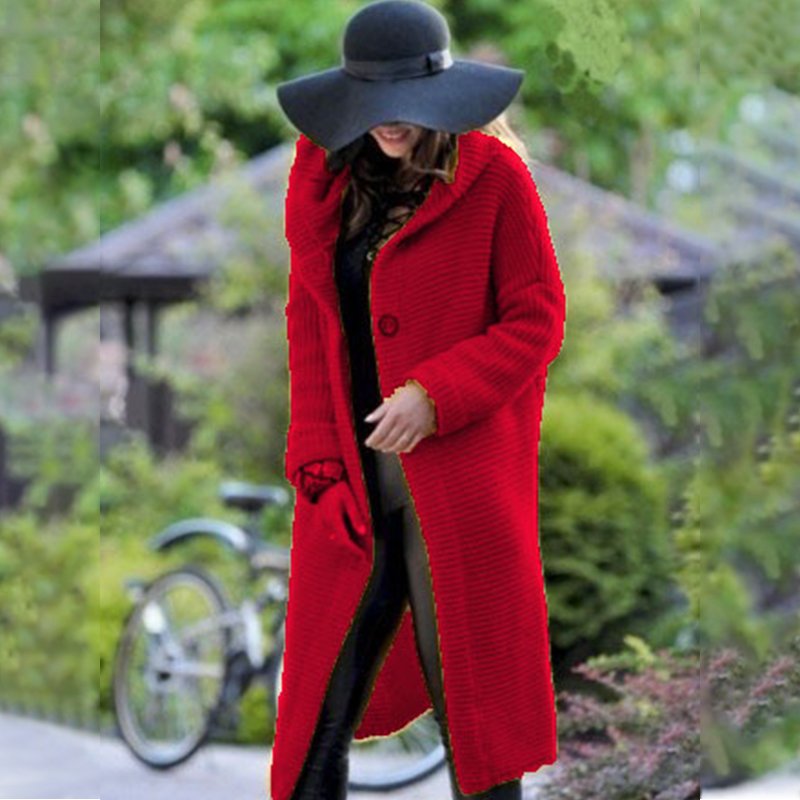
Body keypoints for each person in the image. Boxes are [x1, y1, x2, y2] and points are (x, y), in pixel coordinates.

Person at [272, 2, 567, 799]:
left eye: (406, 101)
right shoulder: (328, 182)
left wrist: (436, 395)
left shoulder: (495, 177)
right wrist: (312, 455)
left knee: (474, 721)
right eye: (374, 101)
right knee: (315, 720)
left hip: (456, 490)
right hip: (351, 488)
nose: (390, 120)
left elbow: (538, 318)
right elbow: (307, 324)